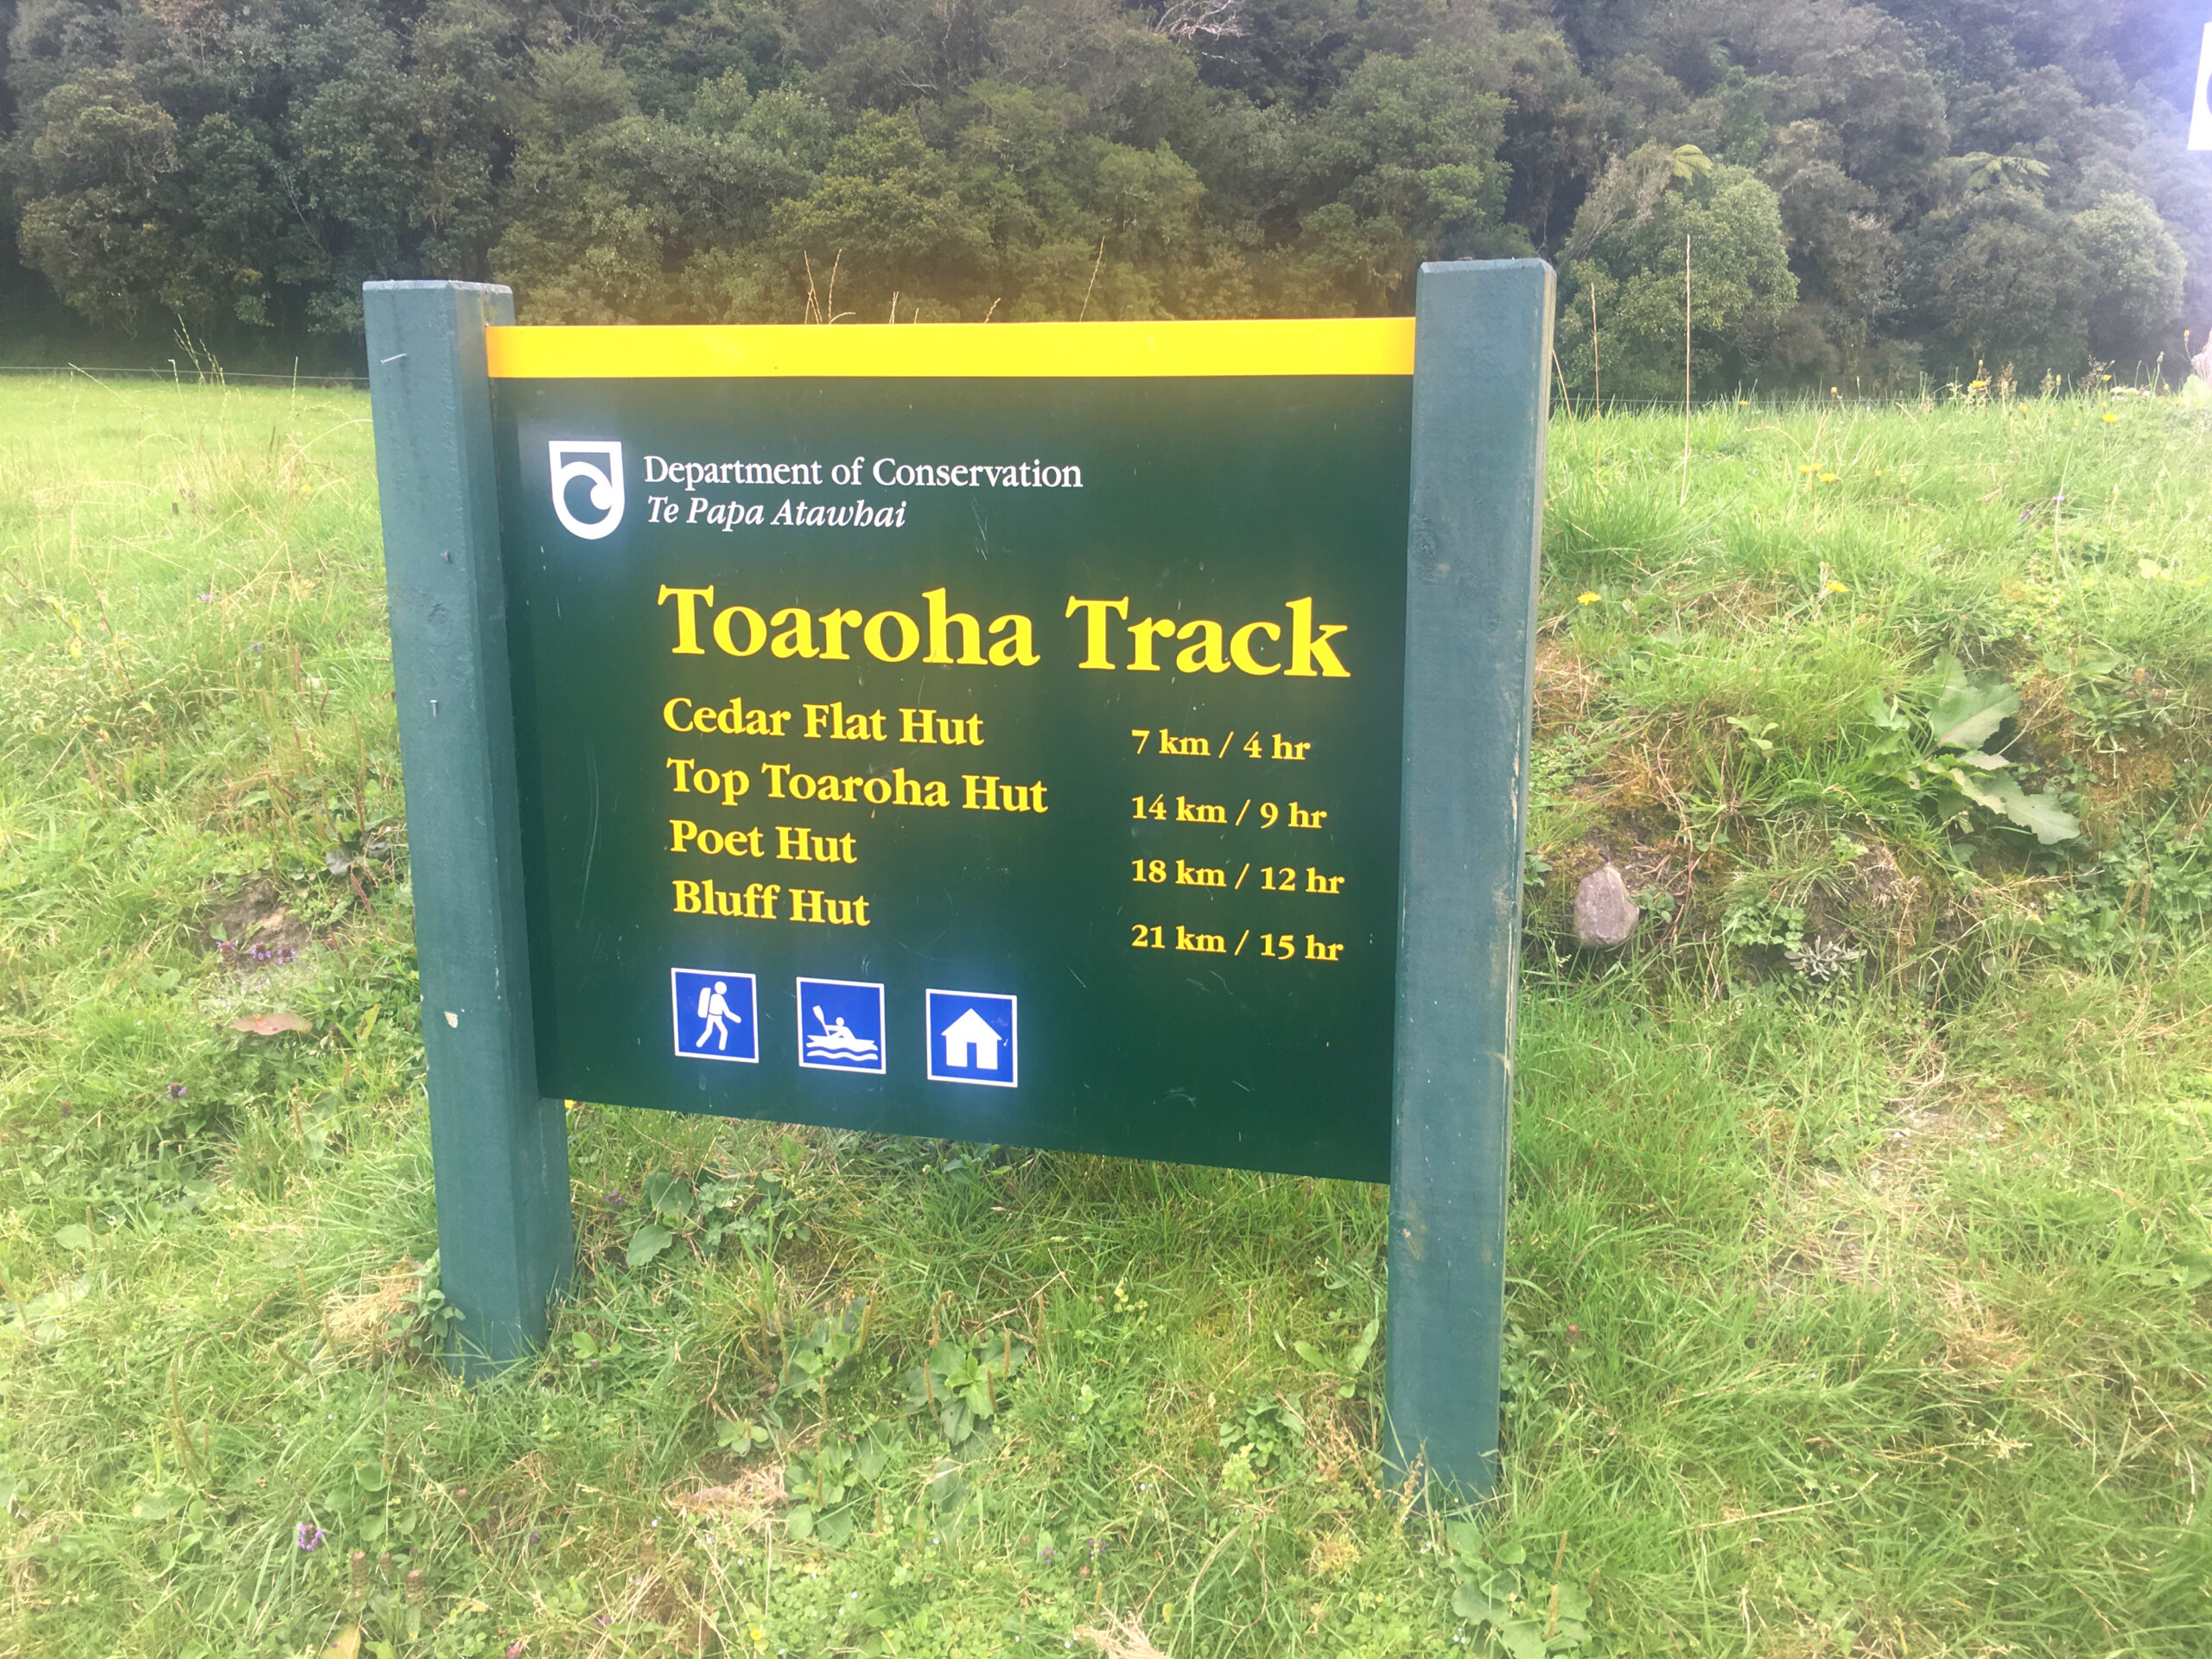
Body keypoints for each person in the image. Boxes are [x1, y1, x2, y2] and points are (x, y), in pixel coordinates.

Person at [696, 980, 737, 1051]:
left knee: (708, 1031)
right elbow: (727, 1012)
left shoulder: (713, 996)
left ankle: (699, 1044)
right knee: (724, 1031)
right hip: (717, 1017)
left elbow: (726, 1012)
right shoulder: (720, 998)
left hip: (711, 1017)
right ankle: (721, 1048)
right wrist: (737, 1019)